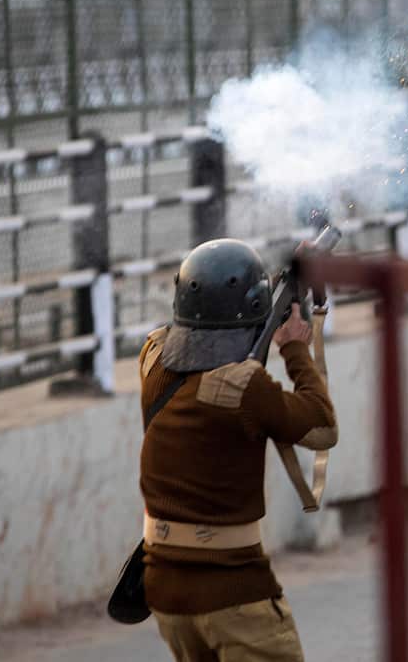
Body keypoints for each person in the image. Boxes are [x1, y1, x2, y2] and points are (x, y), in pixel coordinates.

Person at [137, 238, 337, 661]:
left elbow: (195, 357)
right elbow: (321, 428)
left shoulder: (152, 359)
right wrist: (295, 346)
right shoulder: (244, 388)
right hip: (234, 591)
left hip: (164, 587)